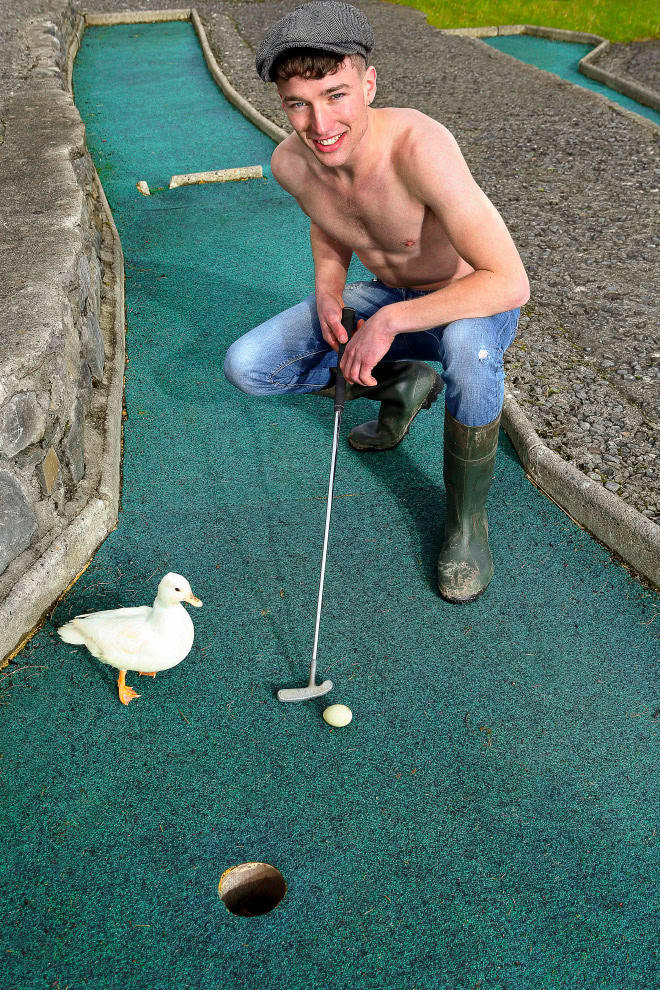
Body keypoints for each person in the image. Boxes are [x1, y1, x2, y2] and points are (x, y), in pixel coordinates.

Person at [224, 1, 529, 603]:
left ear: (367, 83)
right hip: (391, 298)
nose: (319, 123)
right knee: (248, 365)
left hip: (468, 300)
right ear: (281, 104)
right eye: (298, 105)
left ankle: (467, 524)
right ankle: (403, 383)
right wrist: (329, 288)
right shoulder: (291, 164)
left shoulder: (420, 147)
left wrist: (388, 320)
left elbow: (509, 281)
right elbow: (331, 222)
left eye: (335, 95)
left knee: (468, 350)